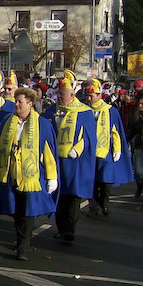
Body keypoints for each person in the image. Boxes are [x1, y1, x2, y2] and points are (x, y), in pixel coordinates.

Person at [0, 87, 59, 261]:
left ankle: (22, 247)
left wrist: (52, 177)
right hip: (10, 174)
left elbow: (48, 152)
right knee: (17, 211)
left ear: (30, 104)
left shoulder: (43, 124)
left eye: (20, 101)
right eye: (16, 101)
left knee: (27, 212)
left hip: (31, 176)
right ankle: (20, 240)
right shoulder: (7, 122)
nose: (16, 104)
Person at [49, 75, 96, 244]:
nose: (59, 97)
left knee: (72, 196)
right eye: (58, 94)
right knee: (59, 195)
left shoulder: (84, 112)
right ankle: (61, 227)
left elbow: (89, 138)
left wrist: (77, 150)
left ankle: (69, 229)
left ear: (72, 95)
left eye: (63, 94)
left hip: (74, 161)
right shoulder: (51, 110)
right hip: (55, 160)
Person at [84, 79, 133, 217]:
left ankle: (104, 204)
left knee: (104, 181)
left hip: (104, 152)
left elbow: (116, 132)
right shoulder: (85, 110)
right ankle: (93, 208)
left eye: (91, 96)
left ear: (99, 95)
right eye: (88, 96)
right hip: (89, 153)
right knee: (91, 181)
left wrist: (117, 150)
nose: (89, 99)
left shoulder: (110, 111)